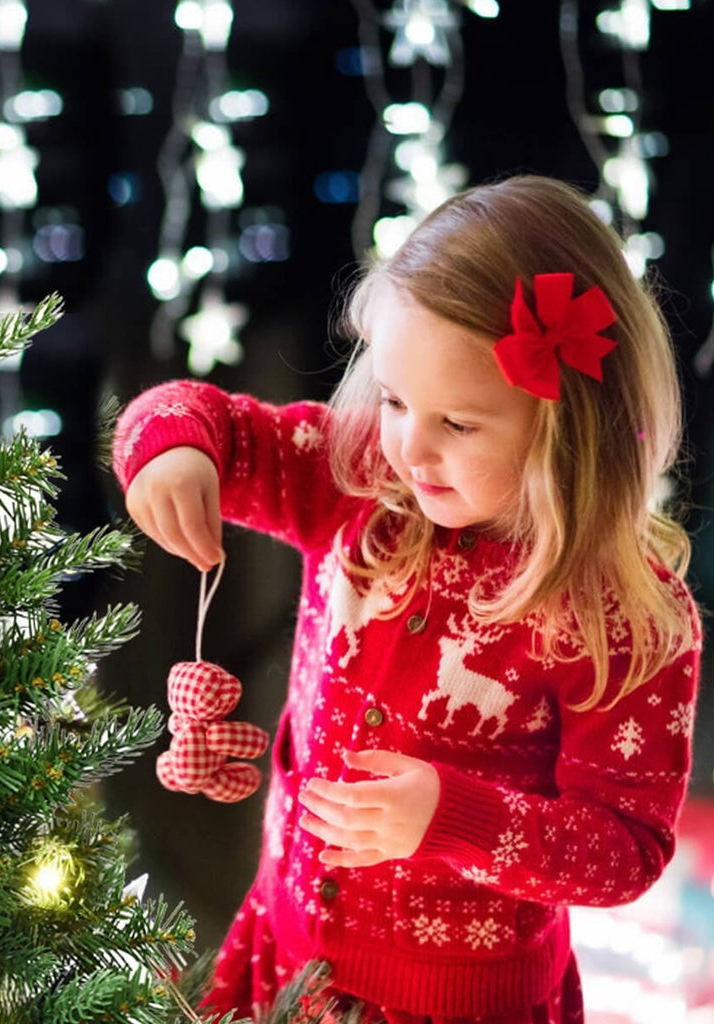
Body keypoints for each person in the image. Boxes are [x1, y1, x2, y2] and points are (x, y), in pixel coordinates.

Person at [111, 175, 703, 1024]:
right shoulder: (359, 481)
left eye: (458, 424)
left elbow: (627, 852)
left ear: (570, 425)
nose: (410, 447)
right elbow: (201, 419)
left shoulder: (625, 617)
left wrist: (449, 818)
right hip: (287, 950)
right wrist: (173, 452)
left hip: (461, 1003)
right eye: (392, 399)